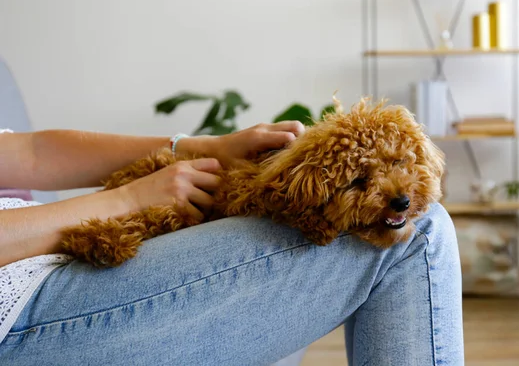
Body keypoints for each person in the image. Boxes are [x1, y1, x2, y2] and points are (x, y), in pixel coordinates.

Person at [0, 123, 464, 365]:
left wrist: (200, 146)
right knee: (417, 236)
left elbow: (28, 153)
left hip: (47, 265)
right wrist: (127, 199)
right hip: (17, 314)